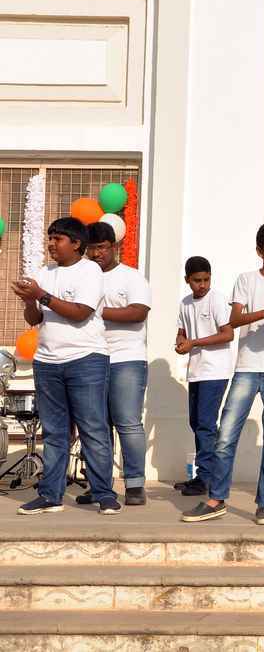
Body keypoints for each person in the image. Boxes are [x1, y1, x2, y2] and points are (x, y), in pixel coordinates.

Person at [181, 223, 264, 525]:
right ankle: (216, 500)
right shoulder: (246, 280)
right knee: (225, 436)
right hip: (246, 368)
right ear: (260, 250)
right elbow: (234, 319)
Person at [12, 217, 121, 516]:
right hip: (47, 362)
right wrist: (29, 301)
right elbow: (35, 320)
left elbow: (80, 313)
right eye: (49, 238)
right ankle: (50, 495)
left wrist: (40, 295)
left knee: (92, 428)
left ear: (76, 244)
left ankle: (104, 494)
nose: (51, 244)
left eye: (57, 238)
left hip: (86, 359)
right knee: (54, 432)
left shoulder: (90, 270)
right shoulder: (44, 273)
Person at [76, 221, 151, 507]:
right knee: (96, 426)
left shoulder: (132, 277)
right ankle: (100, 486)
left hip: (126, 358)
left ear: (114, 247)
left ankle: (135, 485)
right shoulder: (83, 277)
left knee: (128, 422)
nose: (97, 254)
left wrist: (94, 311)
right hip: (90, 358)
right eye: (92, 249)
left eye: (102, 248)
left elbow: (137, 313)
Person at [173, 256, 234, 497]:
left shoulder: (217, 299)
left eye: (206, 280)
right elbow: (181, 331)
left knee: (206, 426)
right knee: (197, 423)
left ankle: (206, 478)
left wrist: (194, 342)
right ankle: (206, 475)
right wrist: (181, 342)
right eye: (197, 280)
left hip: (215, 371)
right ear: (187, 280)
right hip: (196, 371)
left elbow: (227, 334)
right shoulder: (185, 303)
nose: (202, 285)